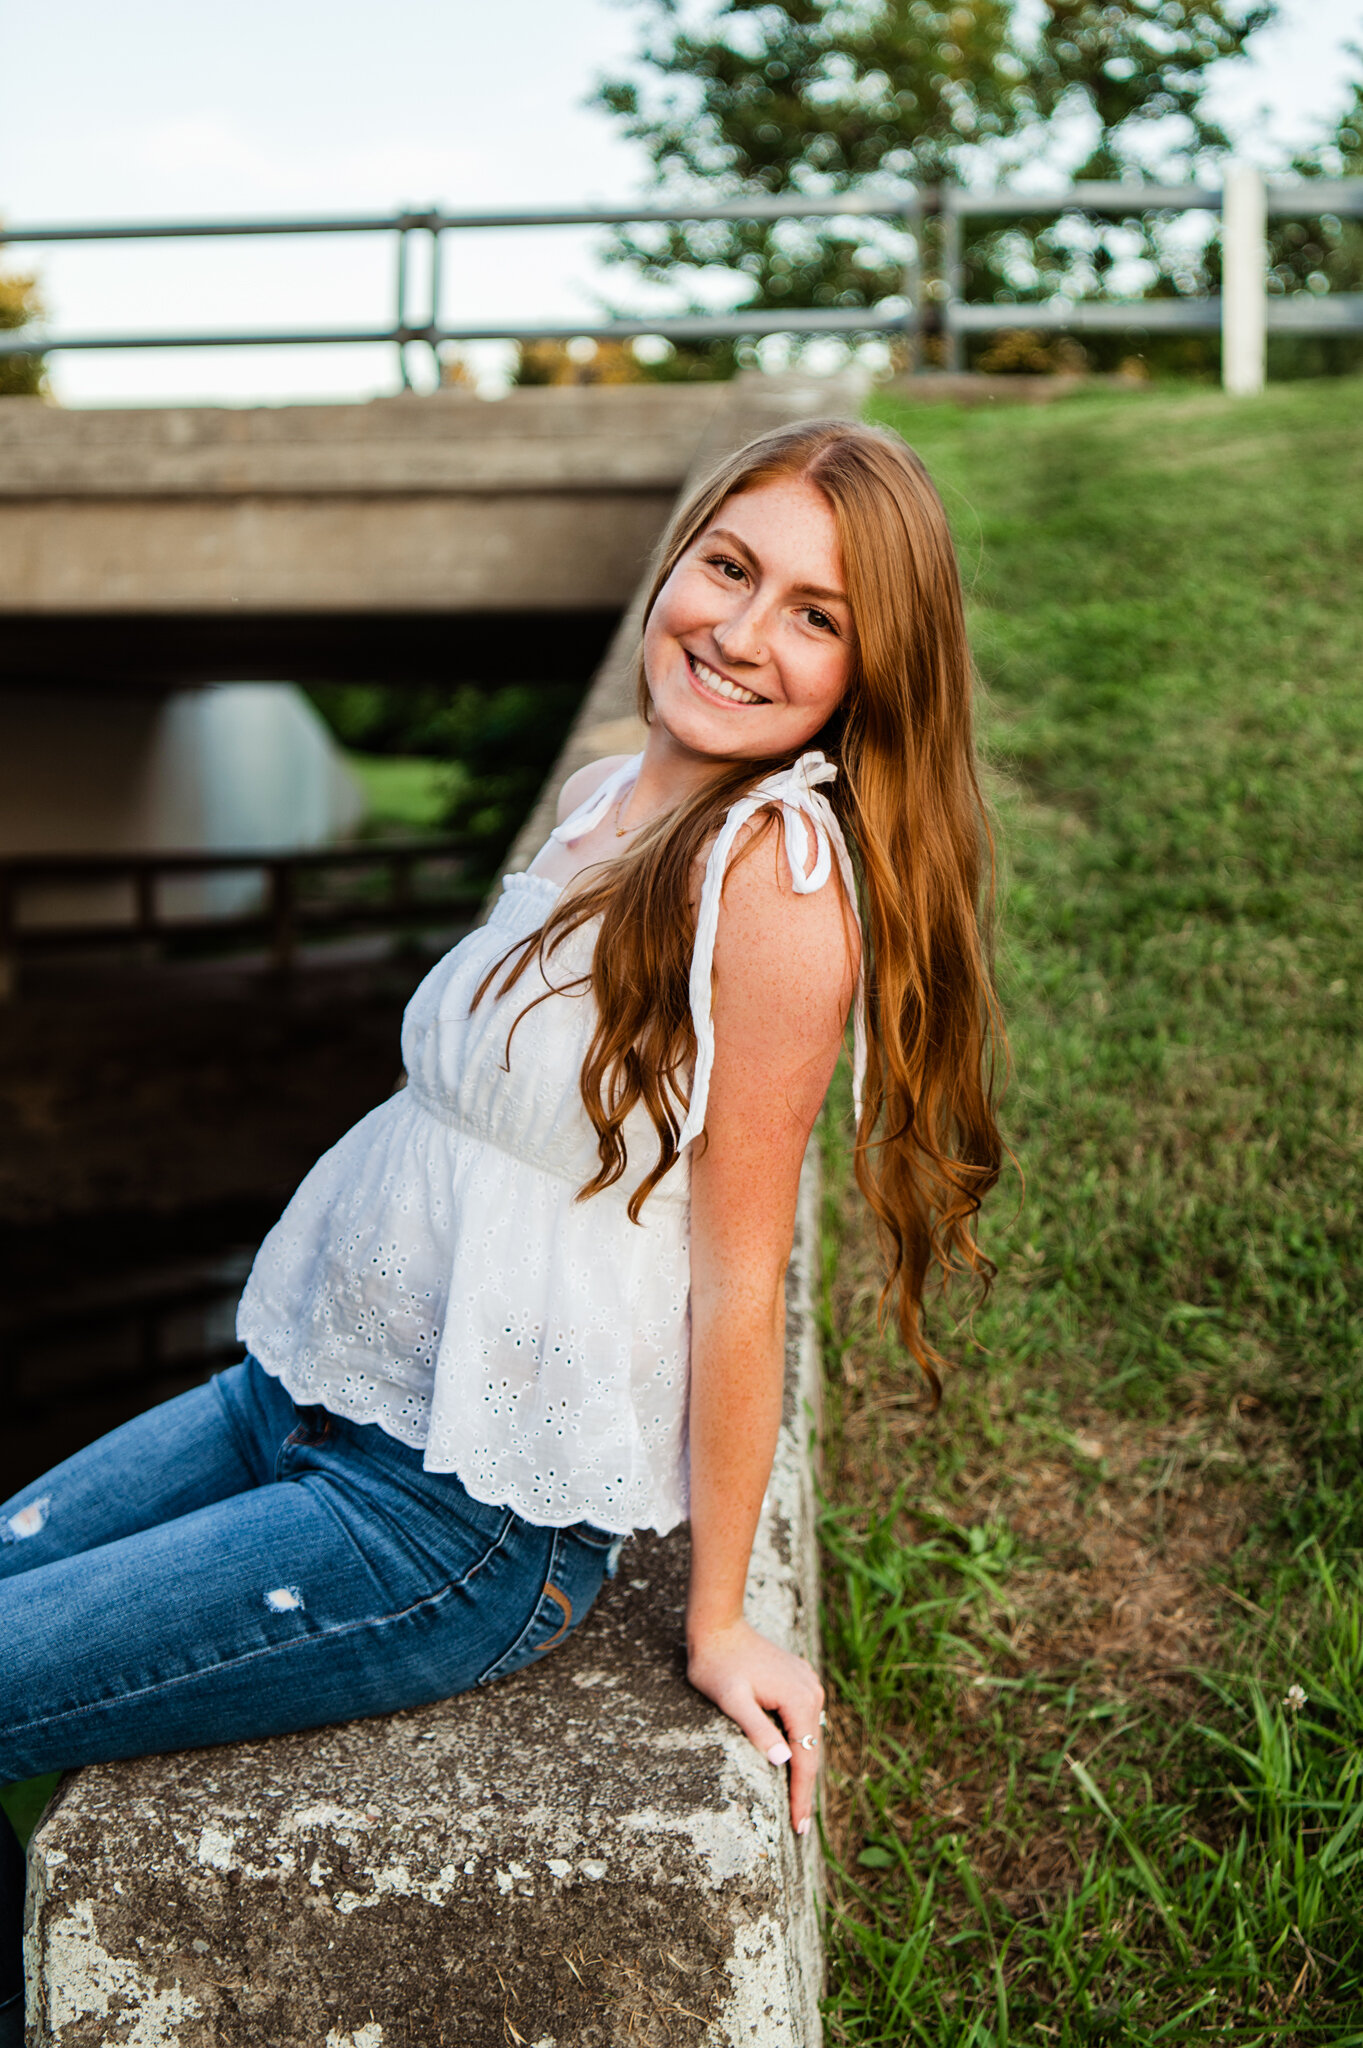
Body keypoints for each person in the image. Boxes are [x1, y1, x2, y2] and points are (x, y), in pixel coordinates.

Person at [0, 416, 1004, 2035]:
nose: (744, 633)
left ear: (869, 676)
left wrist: (722, 1616)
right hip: (300, 1397)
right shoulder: (606, 795)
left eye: (816, 615)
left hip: (445, 1521)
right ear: (673, 563)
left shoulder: (776, 887)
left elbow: (741, 1272)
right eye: (731, 568)